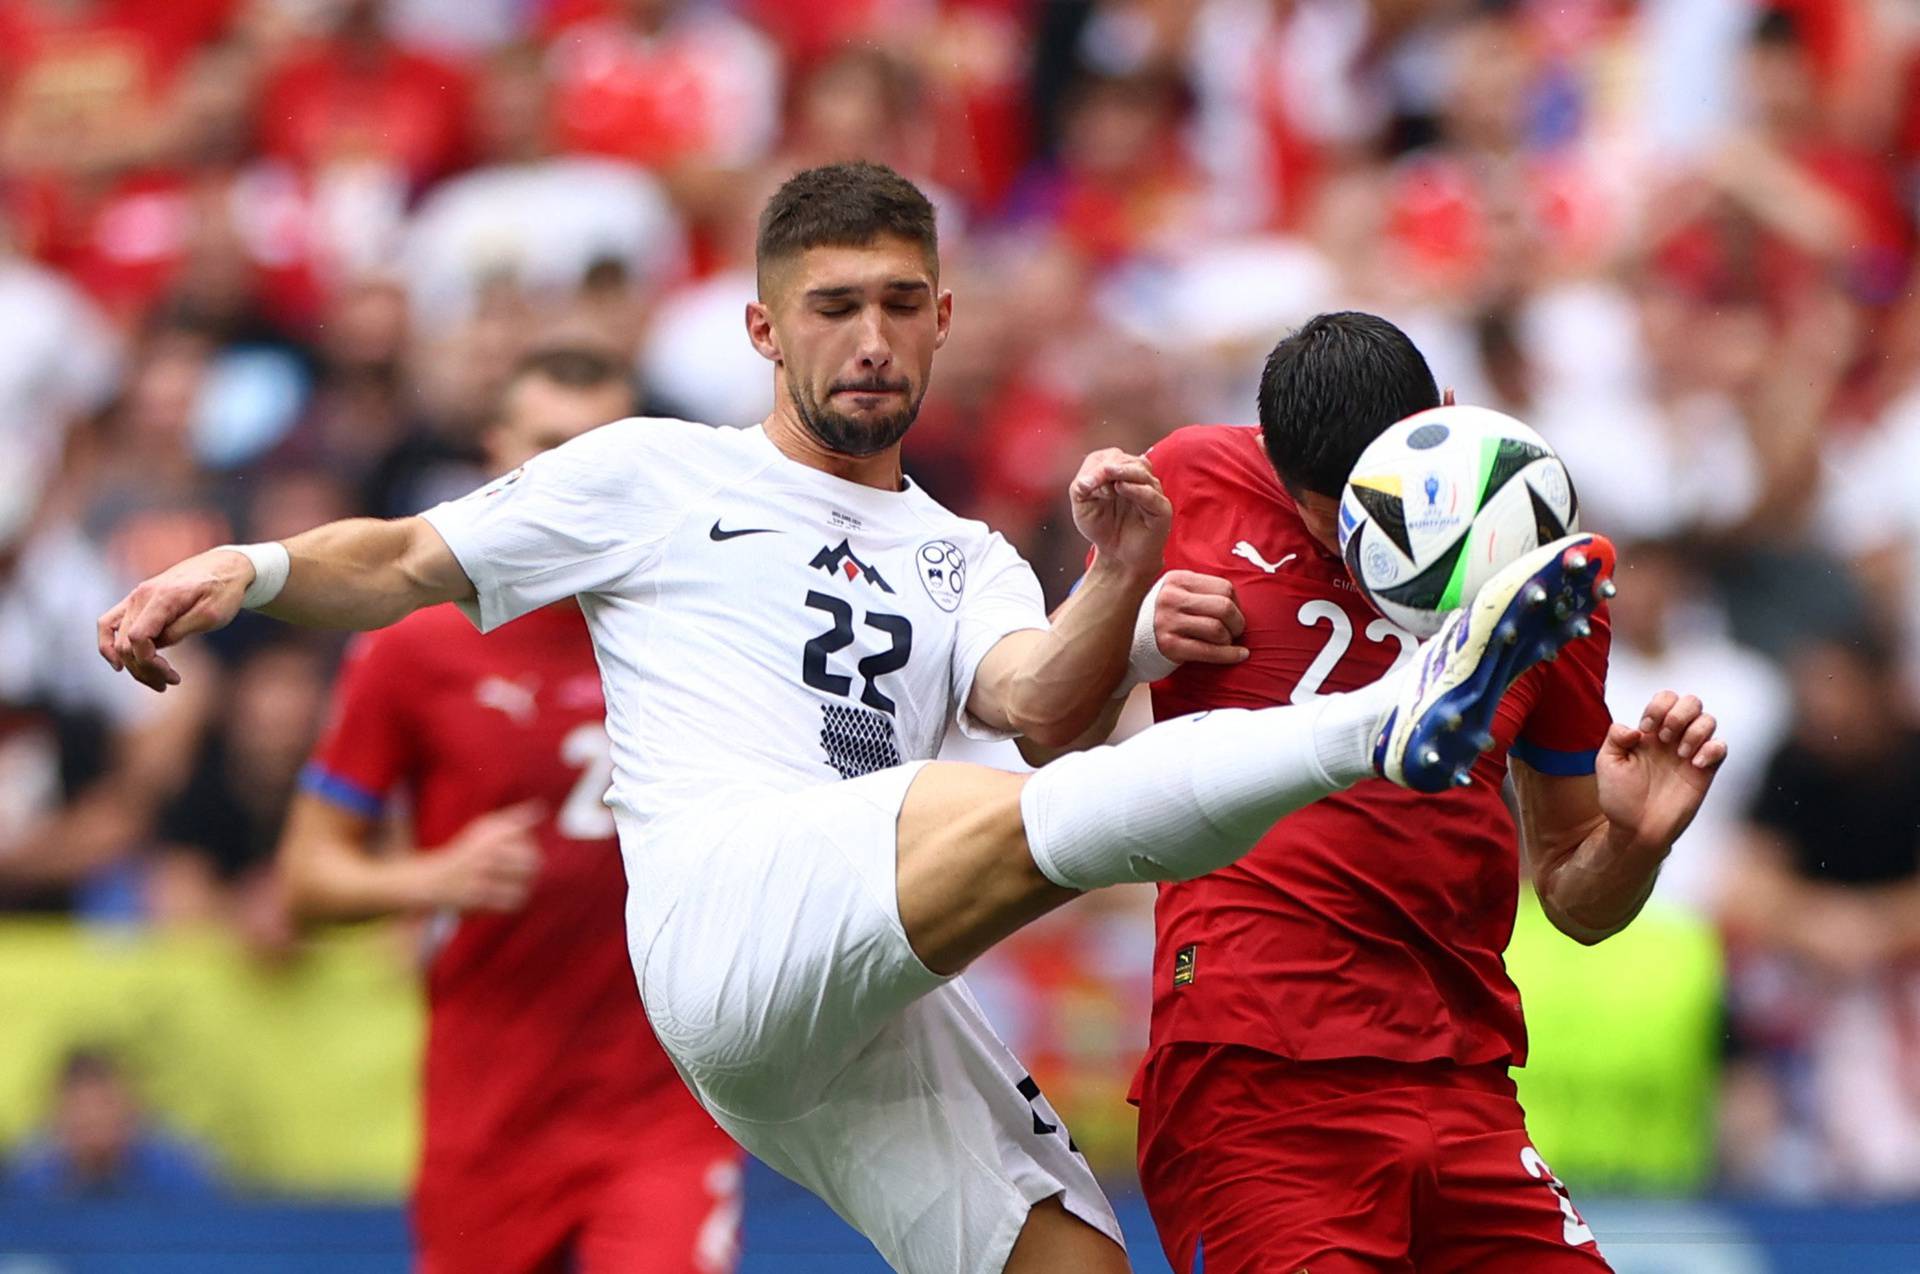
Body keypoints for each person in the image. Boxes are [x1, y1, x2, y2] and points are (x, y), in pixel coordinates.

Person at [97, 163, 1612, 1274]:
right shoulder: (652, 473)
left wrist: (1123, 579)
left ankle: (1407, 709)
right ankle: (1395, 716)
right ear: (765, 328)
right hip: (723, 907)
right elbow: (412, 557)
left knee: (1074, 1256)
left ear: (945, 317)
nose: (869, 337)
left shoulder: (965, 553)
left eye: (899, 304)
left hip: (852, 999)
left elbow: (1038, 707)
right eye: (833, 307)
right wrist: (254, 563)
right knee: (995, 827)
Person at [1125, 312, 1727, 1274]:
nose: (1345, 533)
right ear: (1269, 458)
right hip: (1255, 1066)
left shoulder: (1545, 578)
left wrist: (1637, 840)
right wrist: (1126, 626)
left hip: (1465, 1076)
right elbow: (1044, 725)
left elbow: (1575, 898)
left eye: (1375, 498)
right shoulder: (1190, 480)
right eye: (1317, 503)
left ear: (1447, 421)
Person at [275, 346, 742, 1274]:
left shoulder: (706, 626)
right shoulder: (418, 648)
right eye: (553, 451)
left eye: (605, 452)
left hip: (664, 1100)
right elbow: (305, 880)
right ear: (501, 458)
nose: (583, 481)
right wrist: (431, 878)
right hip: (489, 1105)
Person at [4, 1046, 222, 1200]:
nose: (95, 1119)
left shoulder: (178, 1170)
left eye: (105, 1106)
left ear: (132, 1109)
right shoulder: (27, 1181)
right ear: (57, 1116)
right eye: (82, 1113)